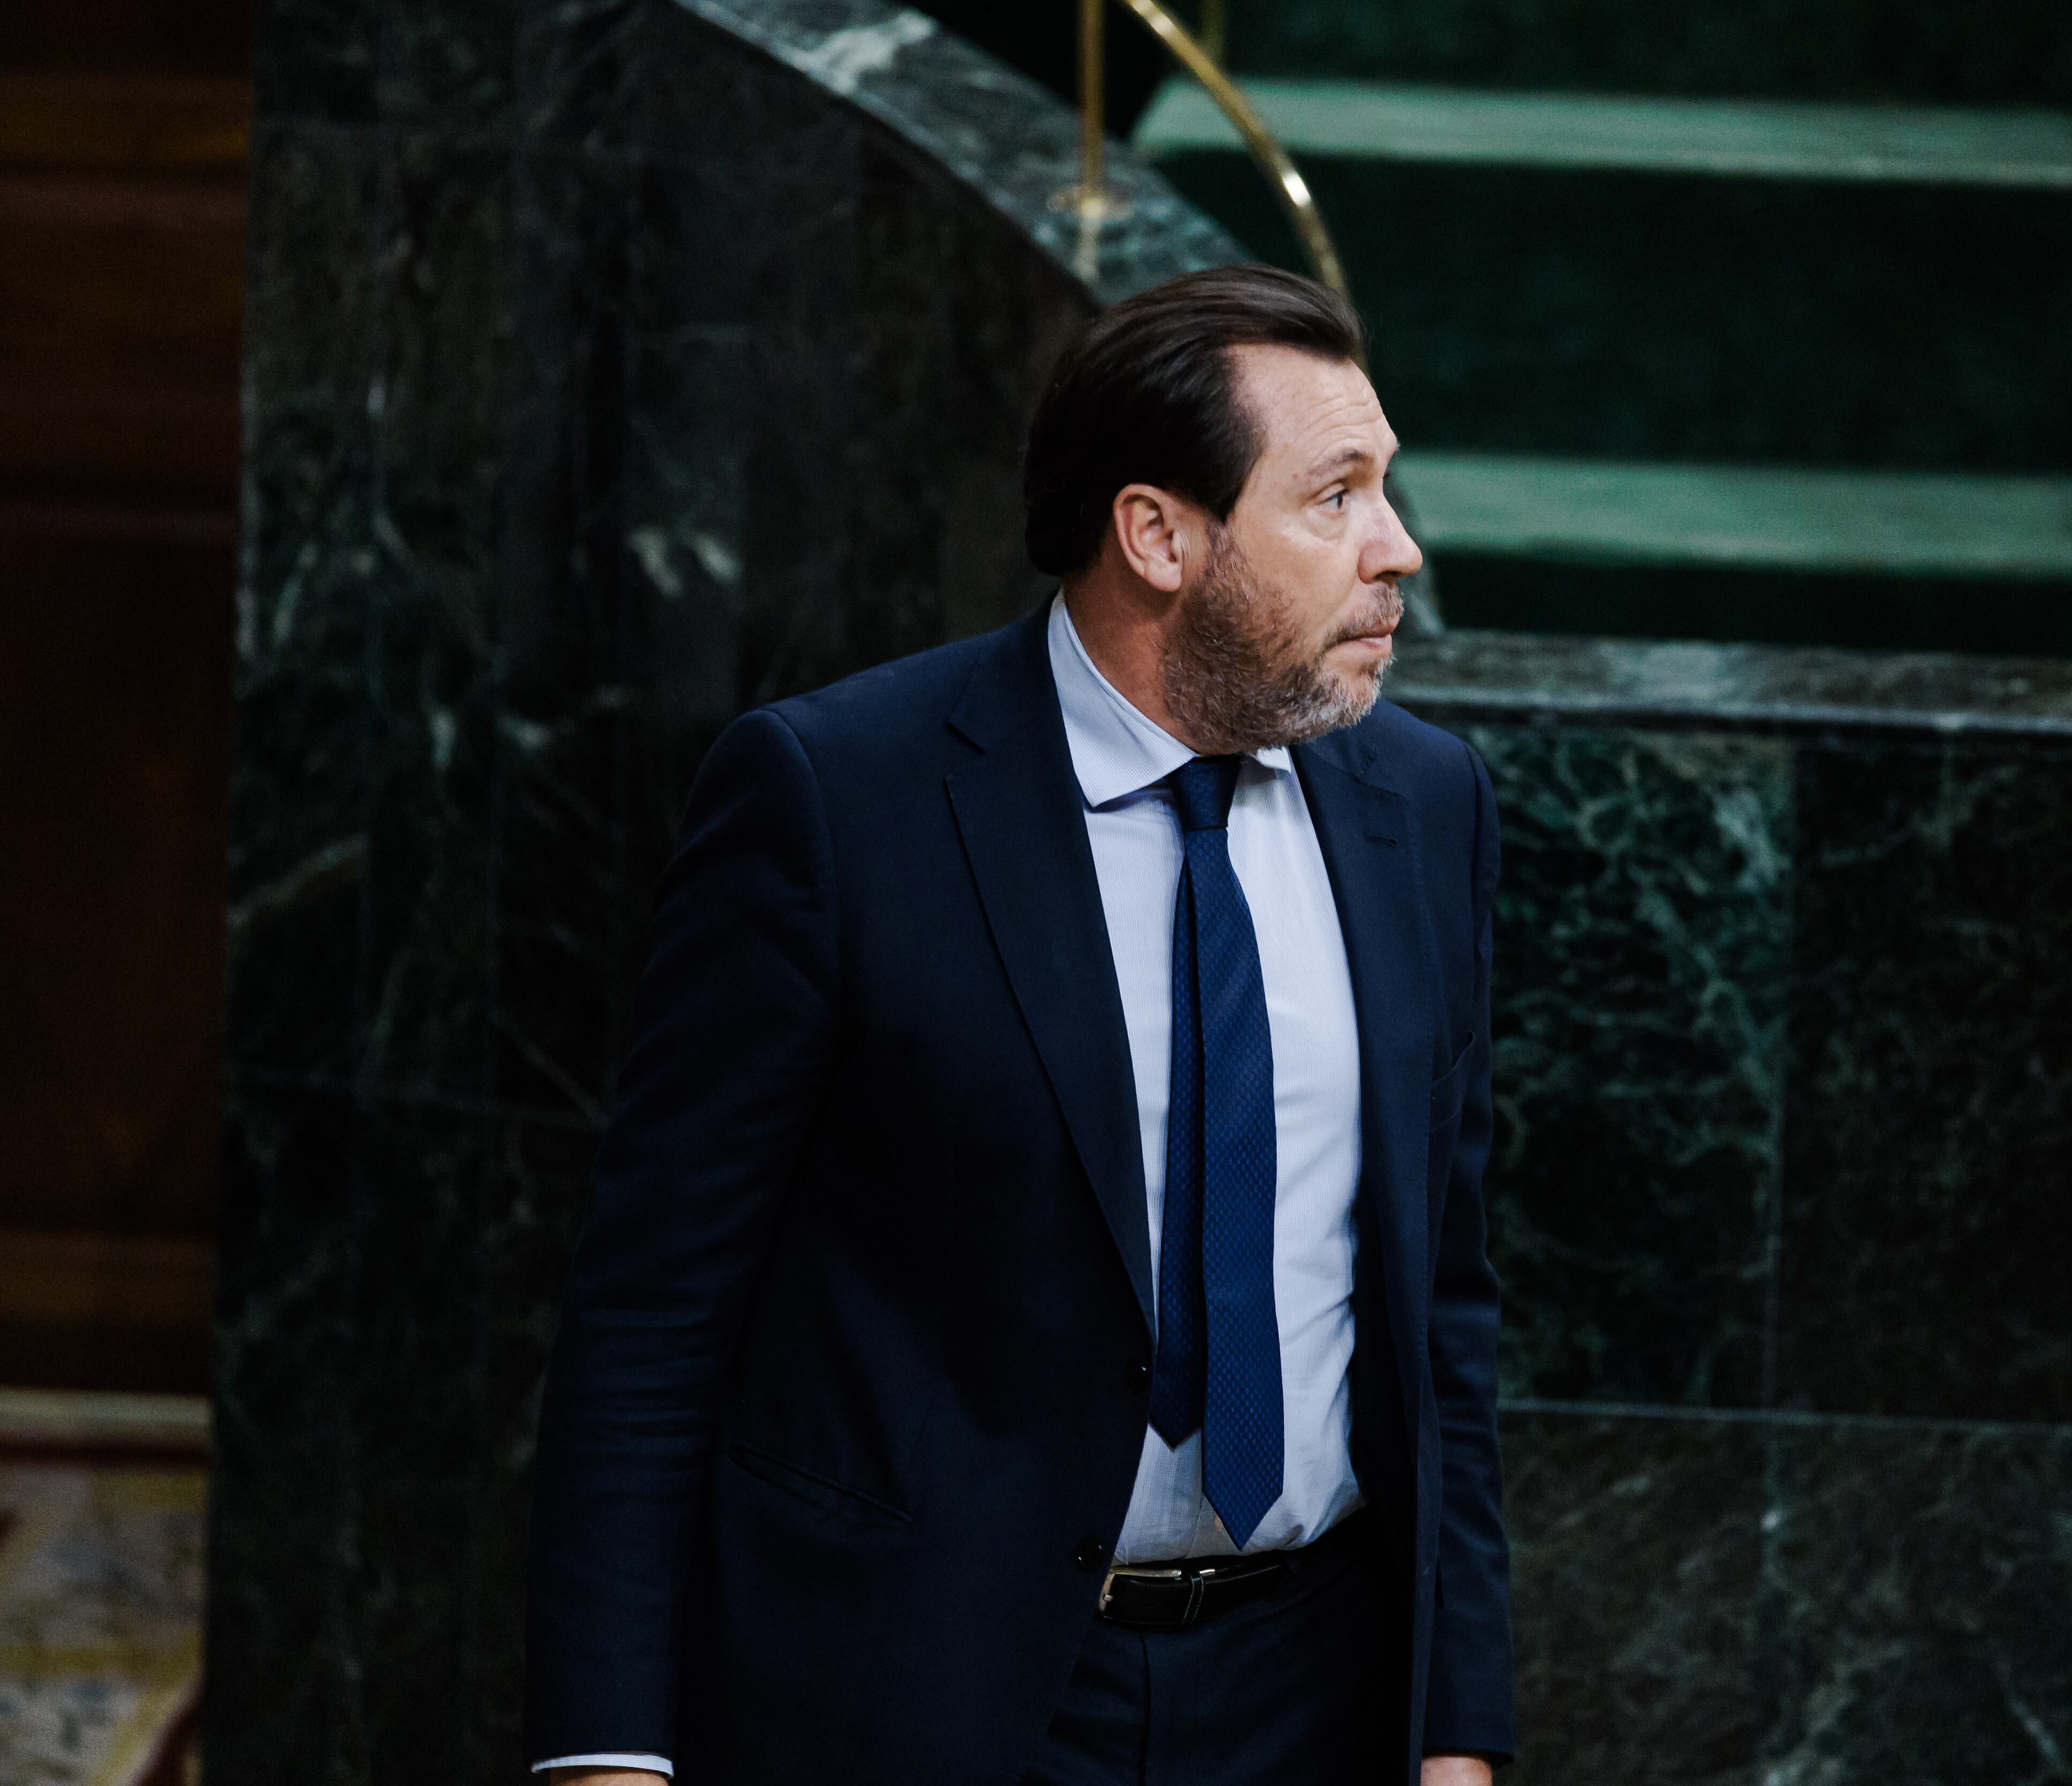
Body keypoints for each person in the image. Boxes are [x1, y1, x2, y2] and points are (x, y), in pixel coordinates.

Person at [522, 265, 1512, 1784]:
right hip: (920, 1695)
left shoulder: (1423, 807)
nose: (1399, 548)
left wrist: (1458, 1734)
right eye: (1336, 499)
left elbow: (1442, 1310)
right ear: (1158, 535)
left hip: (1311, 1693)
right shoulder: (837, 799)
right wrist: (605, 1757)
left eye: (1386, 488)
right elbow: (654, 1313)